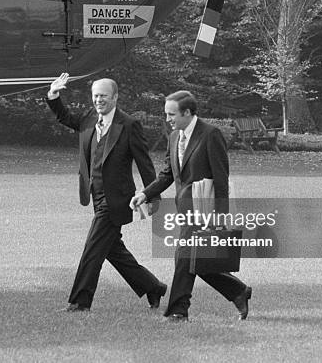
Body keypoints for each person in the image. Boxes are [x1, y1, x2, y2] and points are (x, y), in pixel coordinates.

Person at [46, 73, 167, 312]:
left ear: (115, 98)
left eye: (103, 96)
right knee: (113, 250)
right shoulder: (89, 118)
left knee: (93, 248)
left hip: (117, 199)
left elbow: (144, 164)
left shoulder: (129, 125)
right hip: (95, 195)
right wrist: (54, 95)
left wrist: (152, 195)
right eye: (95, 96)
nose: (98, 100)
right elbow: (66, 117)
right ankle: (153, 287)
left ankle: (80, 302)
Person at [129, 90, 252, 321]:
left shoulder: (210, 134)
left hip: (204, 210)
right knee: (194, 259)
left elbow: (221, 179)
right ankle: (237, 291)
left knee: (185, 258)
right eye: (167, 114)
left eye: (172, 114)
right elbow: (167, 174)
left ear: (187, 112)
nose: (168, 119)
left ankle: (178, 310)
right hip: (184, 210)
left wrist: (219, 217)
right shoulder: (174, 137)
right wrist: (145, 194)